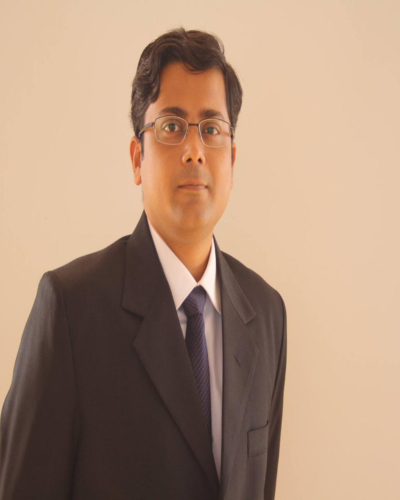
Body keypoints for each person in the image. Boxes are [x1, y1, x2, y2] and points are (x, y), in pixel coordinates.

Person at [0, 28, 287, 500]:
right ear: (137, 158)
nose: (195, 150)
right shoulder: (70, 309)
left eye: (211, 129)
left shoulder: (267, 314)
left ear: (232, 161)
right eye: (172, 127)